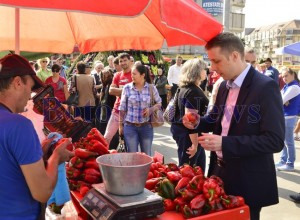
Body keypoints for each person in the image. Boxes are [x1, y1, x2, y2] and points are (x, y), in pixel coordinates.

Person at [183, 32, 285, 220]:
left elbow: (274, 140)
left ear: (235, 56)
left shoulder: (265, 87)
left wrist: (225, 144)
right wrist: (197, 122)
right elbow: (215, 120)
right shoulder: (223, 86)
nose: (212, 68)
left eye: (217, 61)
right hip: (219, 174)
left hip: (248, 180)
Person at [0, 54, 73, 219]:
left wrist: (41, 155)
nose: (30, 95)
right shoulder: (19, 125)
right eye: (30, 87)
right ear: (18, 82)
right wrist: (56, 158)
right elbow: (42, 192)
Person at [171, 58, 208, 171]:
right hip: (189, 136)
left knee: (198, 167)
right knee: (186, 170)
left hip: (186, 133)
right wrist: (195, 144)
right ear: (197, 71)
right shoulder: (193, 91)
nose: (206, 72)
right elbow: (190, 120)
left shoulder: (186, 88)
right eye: (204, 69)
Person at [119, 64, 161, 155]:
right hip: (130, 127)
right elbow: (122, 108)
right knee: (132, 156)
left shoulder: (151, 88)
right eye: (131, 74)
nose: (132, 76)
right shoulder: (127, 88)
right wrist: (120, 126)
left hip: (146, 127)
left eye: (134, 74)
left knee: (146, 155)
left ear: (143, 75)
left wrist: (151, 109)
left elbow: (159, 103)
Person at [104, 53, 132, 148]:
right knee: (107, 137)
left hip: (131, 112)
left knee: (129, 141)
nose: (123, 63)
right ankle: (102, 158)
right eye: (121, 61)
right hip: (117, 110)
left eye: (125, 60)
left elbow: (136, 92)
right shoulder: (117, 75)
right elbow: (111, 91)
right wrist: (128, 90)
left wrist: (119, 91)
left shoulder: (135, 74)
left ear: (130, 61)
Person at [276, 68, 300, 172]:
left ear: (292, 75)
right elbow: (278, 98)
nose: (284, 78)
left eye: (286, 76)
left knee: (288, 142)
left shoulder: (294, 87)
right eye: (283, 76)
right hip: (284, 116)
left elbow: (280, 100)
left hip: (289, 117)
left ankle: (290, 164)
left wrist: (283, 100)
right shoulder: (287, 86)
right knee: (284, 140)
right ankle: (283, 160)